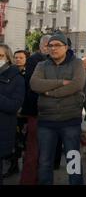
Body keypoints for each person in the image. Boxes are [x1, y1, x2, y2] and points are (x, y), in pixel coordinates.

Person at [30, 31, 86, 185]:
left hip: (70, 121)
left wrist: (49, 92)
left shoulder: (77, 63)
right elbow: (35, 84)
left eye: (57, 45)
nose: (53, 48)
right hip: (46, 121)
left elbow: (77, 85)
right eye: (50, 45)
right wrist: (61, 82)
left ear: (66, 47)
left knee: (73, 160)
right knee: (45, 162)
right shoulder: (41, 65)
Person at [20, 35, 50, 185]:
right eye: (51, 46)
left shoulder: (47, 60)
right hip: (36, 111)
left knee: (42, 150)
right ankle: (28, 180)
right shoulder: (34, 60)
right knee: (33, 149)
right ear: (43, 46)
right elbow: (34, 86)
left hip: (48, 112)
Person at [2, 50, 30, 179]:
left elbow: (16, 103)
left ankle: (16, 165)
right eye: (16, 57)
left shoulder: (22, 76)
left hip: (19, 117)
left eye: (21, 57)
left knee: (19, 143)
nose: (18, 59)